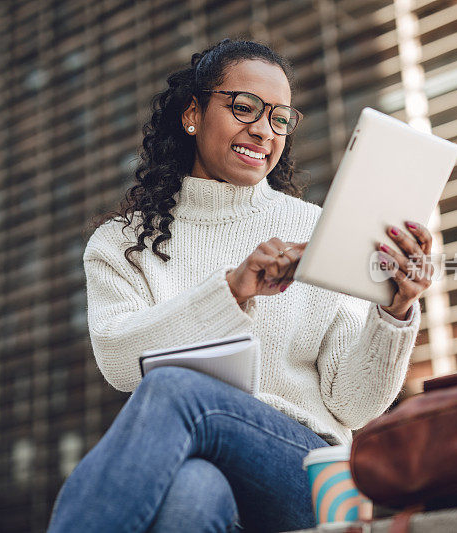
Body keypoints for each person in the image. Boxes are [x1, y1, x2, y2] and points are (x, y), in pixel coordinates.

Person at [47, 39, 432, 532]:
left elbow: (352, 405)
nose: (262, 130)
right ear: (193, 113)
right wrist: (231, 290)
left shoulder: (317, 230)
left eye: (279, 118)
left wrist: (395, 311)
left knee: (176, 390)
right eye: (244, 108)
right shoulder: (119, 243)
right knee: (193, 490)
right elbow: (121, 363)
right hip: (200, 461)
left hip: (307, 474)